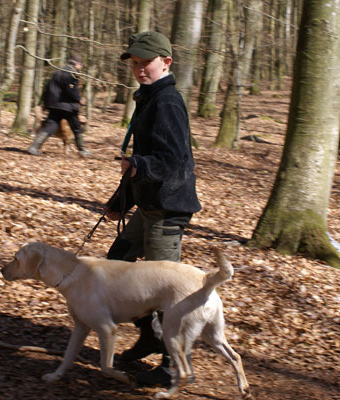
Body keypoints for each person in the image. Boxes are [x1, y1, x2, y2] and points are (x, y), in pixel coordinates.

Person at [105, 31, 201, 386]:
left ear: (166, 62)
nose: (140, 68)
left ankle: (176, 365)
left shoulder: (167, 102)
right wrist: (120, 202)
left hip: (167, 208)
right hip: (148, 206)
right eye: (135, 63)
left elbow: (171, 160)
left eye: (146, 62)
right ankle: (150, 335)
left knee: (166, 289)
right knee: (114, 270)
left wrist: (138, 165)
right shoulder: (149, 98)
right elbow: (142, 163)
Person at [27, 55, 91, 157]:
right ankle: (82, 150)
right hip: (67, 107)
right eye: (81, 65)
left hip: (54, 105)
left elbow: (47, 88)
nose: (81, 68)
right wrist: (79, 99)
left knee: (50, 126)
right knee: (76, 127)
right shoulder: (72, 73)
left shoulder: (57, 71)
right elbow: (70, 89)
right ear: (77, 64)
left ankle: (34, 147)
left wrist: (44, 102)